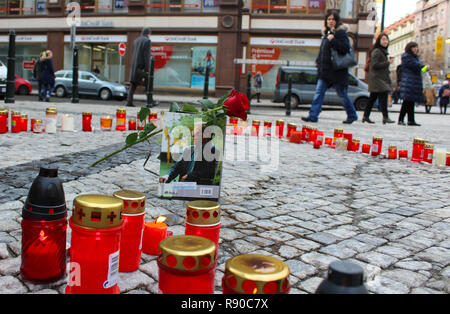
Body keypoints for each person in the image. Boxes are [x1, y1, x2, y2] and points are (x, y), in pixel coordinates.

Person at [302, 11, 358, 124]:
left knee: (342, 95)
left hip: (337, 72)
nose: (330, 21)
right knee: (318, 94)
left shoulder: (340, 33)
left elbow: (345, 48)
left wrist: (333, 40)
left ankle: (352, 115)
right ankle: (313, 116)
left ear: (337, 21)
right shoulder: (326, 34)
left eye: (333, 19)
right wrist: (318, 62)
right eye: (328, 19)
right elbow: (323, 52)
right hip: (325, 71)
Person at [362, 32, 395, 124]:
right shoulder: (377, 51)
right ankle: (385, 117)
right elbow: (375, 65)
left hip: (379, 78)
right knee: (383, 97)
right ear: (379, 41)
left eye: (386, 39)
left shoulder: (382, 51)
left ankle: (366, 116)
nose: (385, 41)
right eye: (383, 39)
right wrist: (388, 62)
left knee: (372, 98)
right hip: (377, 79)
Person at [398, 42, 425, 126]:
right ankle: (401, 119)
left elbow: (420, 68)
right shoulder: (407, 57)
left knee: (411, 102)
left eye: (416, 47)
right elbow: (416, 65)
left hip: (413, 82)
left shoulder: (415, 57)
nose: (415, 49)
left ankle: (411, 120)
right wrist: (422, 64)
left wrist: (424, 67)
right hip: (408, 82)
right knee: (406, 102)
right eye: (413, 47)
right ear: (409, 48)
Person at [126, 27, 151, 107]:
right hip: (141, 68)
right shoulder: (147, 41)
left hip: (134, 68)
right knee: (148, 83)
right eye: (149, 33)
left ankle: (129, 102)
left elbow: (134, 53)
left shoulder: (135, 41)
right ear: (148, 33)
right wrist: (147, 68)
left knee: (133, 85)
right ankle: (150, 102)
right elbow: (146, 56)